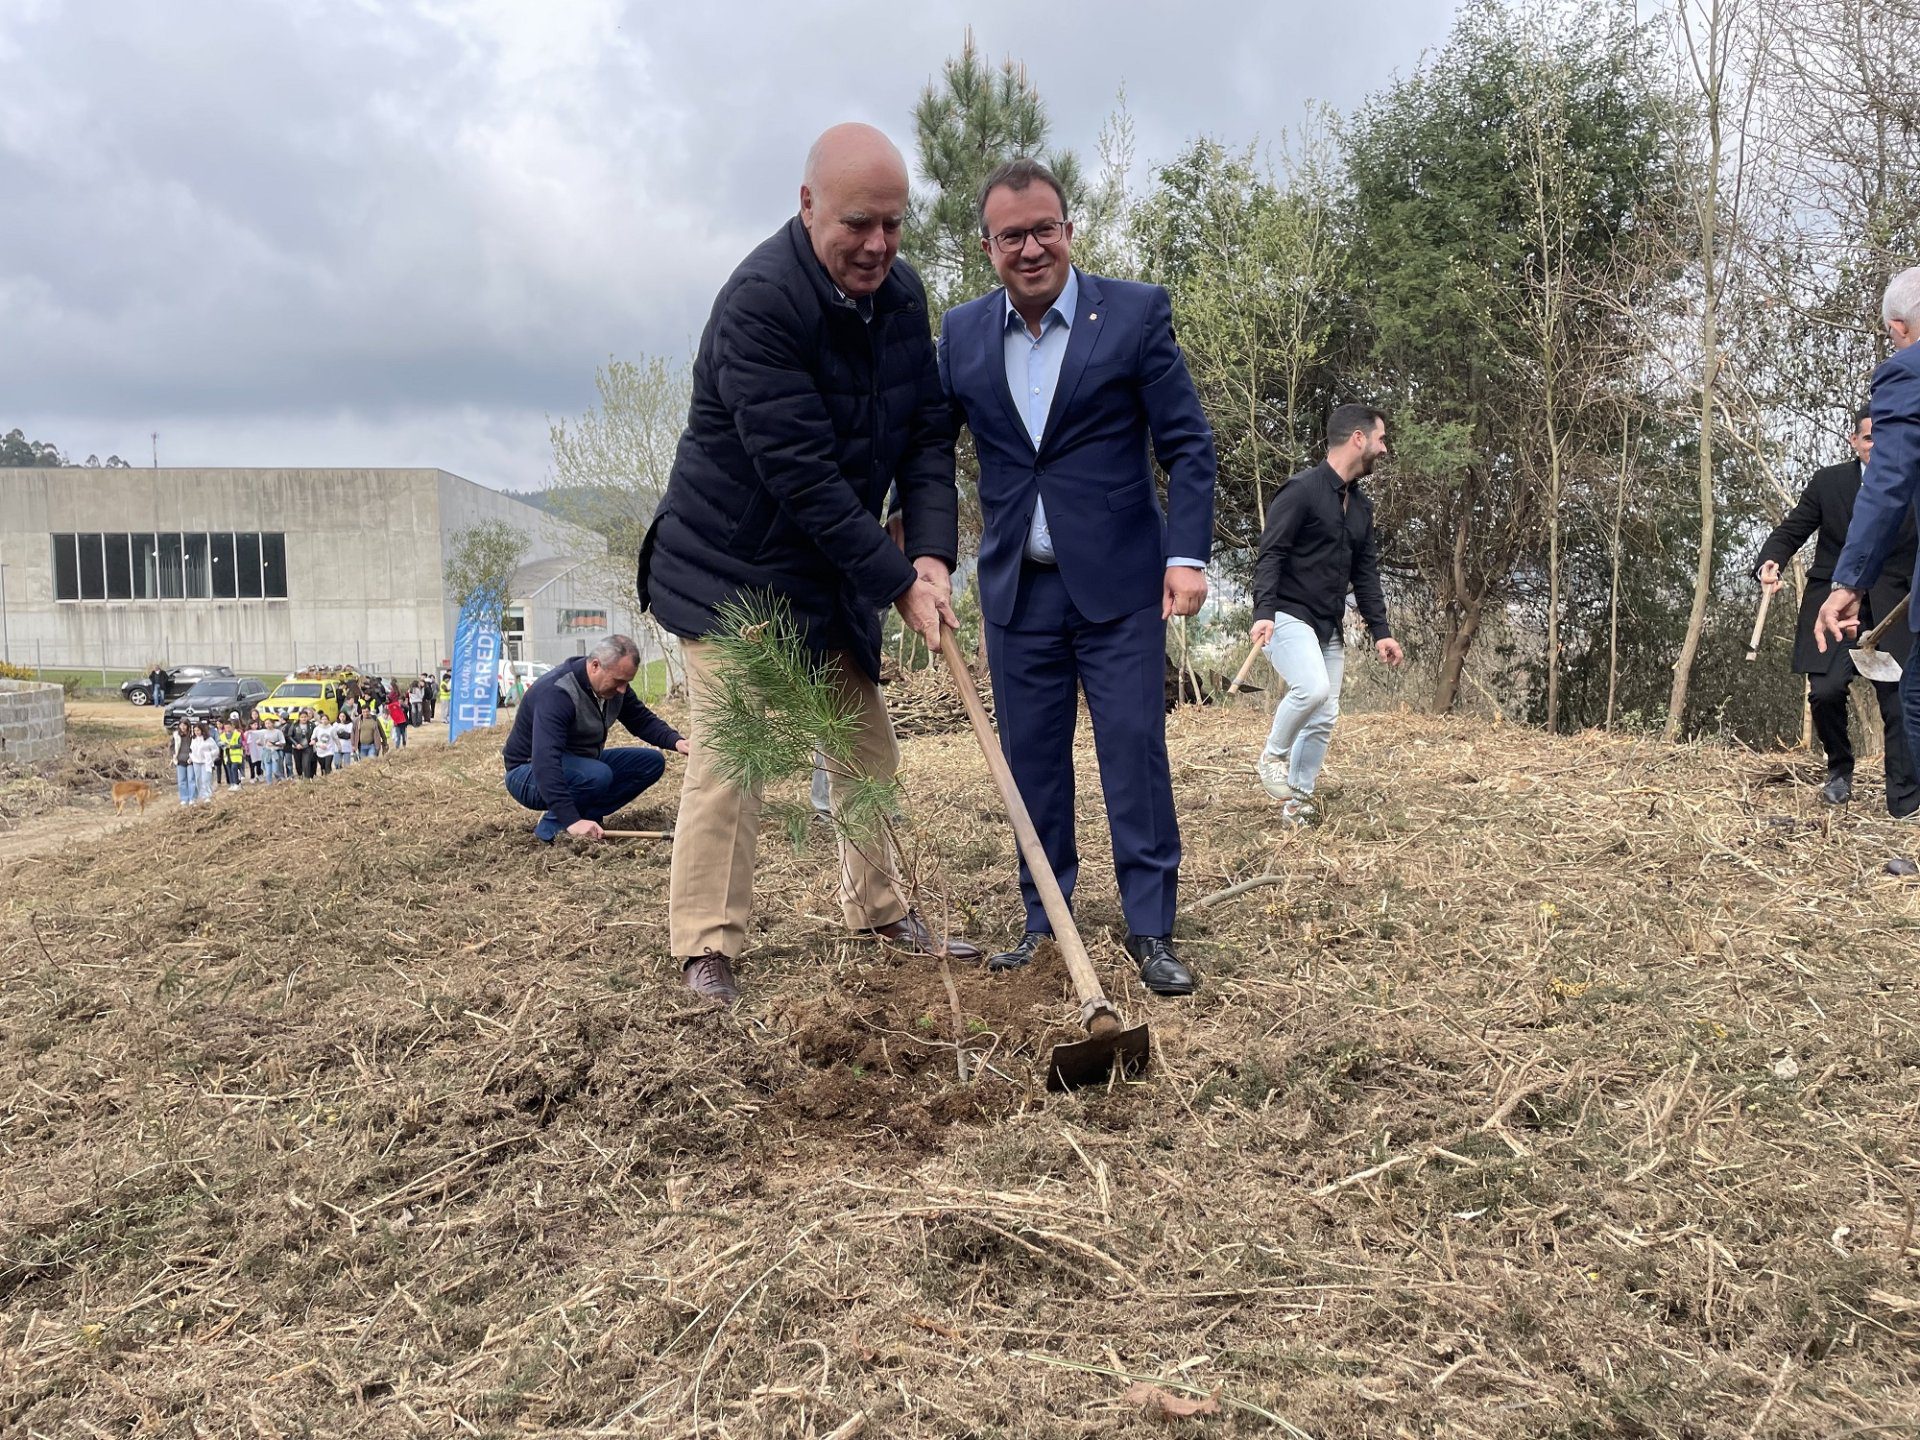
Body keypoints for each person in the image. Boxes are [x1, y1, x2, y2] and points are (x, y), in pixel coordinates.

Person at [637, 122, 974, 1004]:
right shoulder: (758, 303)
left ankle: (880, 908)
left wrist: (933, 556)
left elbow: (927, 436)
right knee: (733, 759)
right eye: (858, 223)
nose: (876, 245)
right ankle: (708, 945)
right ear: (808, 205)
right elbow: (804, 478)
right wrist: (896, 583)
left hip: (828, 572)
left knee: (868, 747)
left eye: (894, 226)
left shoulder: (902, 298)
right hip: (729, 571)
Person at [936, 156, 1215, 995]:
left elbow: (1188, 444)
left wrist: (1186, 555)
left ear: (1069, 231)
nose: (1031, 248)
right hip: (1019, 591)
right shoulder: (960, 335)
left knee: (1134, 749)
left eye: (1044, 230)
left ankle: (1150, 927)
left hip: (1123, 585)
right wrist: (919, 547)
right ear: (987, 246)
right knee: (1033, 762)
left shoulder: (1130, 314)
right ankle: (1043, 916)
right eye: (1012, 236)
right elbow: (926, 450)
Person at [1249, 405, 1407, 823]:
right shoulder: (1301, 490)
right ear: (1359, 438)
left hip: (1327, 625)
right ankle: (1272, 758)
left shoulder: (1361, 508)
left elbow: (1366, 574)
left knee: (1324, 716)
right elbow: (1271, 554)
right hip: (1285, 616)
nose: (1384, 448)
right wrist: (1263, 611)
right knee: (1313, 688)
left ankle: (1297, 804)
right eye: (1381, 439)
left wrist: (1381, 632)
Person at [1757, 406, 1918, 814]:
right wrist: (1769, 560)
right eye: (1868, 438)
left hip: (1893, 607)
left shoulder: (1912, 485)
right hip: (1834, 603)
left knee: (1899, 701)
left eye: (1885, 438)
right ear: (1854, 441)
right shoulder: (1830, 483)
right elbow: (1793, 528)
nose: (1877, 446)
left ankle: (1904, 800)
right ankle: (1840, 769)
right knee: (1825, 691)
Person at [502, 635, 687, 843]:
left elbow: (640, 720)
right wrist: (571, 820)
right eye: (619, 681)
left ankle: (587, 816)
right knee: (597, 775)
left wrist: (676, 741)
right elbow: (545, 761)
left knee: (651, 763)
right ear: (595, 666)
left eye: (627, 682)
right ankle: (554, 827)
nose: (622, 690)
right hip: (528, 773)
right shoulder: (557, 693)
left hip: (580, 765)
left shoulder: (615, 688)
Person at [189, 723, 219, 804]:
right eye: (195, 730)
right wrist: (191, 757)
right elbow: (192, 750)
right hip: (196, 762)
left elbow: (216, 750)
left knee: (206, 779)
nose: (196, 732)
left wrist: (209, 755)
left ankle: (207, 796)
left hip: (206, 762)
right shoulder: (194, 739)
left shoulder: (209, 740)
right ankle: (201, 795)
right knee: (198, 779)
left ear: (202, 730)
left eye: (198, 730)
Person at [170, 720, 195, 806]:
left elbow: (195, 746)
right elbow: (172, 747)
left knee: (191, 779)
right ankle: (184, 798)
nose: (183, 727)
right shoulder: (176, 735)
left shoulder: (192, 735)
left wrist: (192, 756)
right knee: (182, 780)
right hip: (180, 759)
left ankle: (192, 798)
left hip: (191, 759)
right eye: (181, 725)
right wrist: (173, 755)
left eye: (185, 725)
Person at [218, 715, 245, 789]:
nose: (227, 729)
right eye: (226, 727)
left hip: (236, 756)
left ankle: (236, 783)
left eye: (229, 727)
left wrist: (231, 746)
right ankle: (232, 783)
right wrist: (222, 745)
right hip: (227, 755)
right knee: (229, 770)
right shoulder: (222, 736)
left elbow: (240, 744)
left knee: (234, 768)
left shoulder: (237, 734)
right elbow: (219, 743)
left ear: (232, 726)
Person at [286, 710, 314, 779]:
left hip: (307, 747)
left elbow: (316, 734)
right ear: (299, 718)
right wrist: (296, 744)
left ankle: (307, 778)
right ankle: (300, 775)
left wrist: (314, 740)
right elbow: (289, 736)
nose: (304, 719)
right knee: (298, 764)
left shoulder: (311, 725)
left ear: (307, 717)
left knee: (306, 763)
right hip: (297, 748)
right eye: (302, 717)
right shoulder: (295, 725)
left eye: (305, 717)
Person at [313, 711, 337, 775]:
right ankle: (324, 779)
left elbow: (336, 738)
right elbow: (313, 739)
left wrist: (339, 747)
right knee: (322, 767)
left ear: (328, 720)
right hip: (320, 751)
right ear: (320, 720)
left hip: (329, 750)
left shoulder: (332, 729)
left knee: (327, 766)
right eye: (323, 719)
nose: (324, 721)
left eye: (326, 719)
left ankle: (329, 779)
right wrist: (318, 745)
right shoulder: (317, 729)